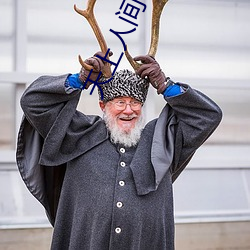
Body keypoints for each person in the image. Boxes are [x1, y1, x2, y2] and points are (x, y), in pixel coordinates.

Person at [16, 52, 222, 250]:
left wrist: (165, 85)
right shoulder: (79, 132)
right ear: (103, 105)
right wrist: (79, 80)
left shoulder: (163, 139)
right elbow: (32, 102)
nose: (128, 110)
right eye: (120, 102)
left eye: (135, 103)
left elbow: (209, 116)